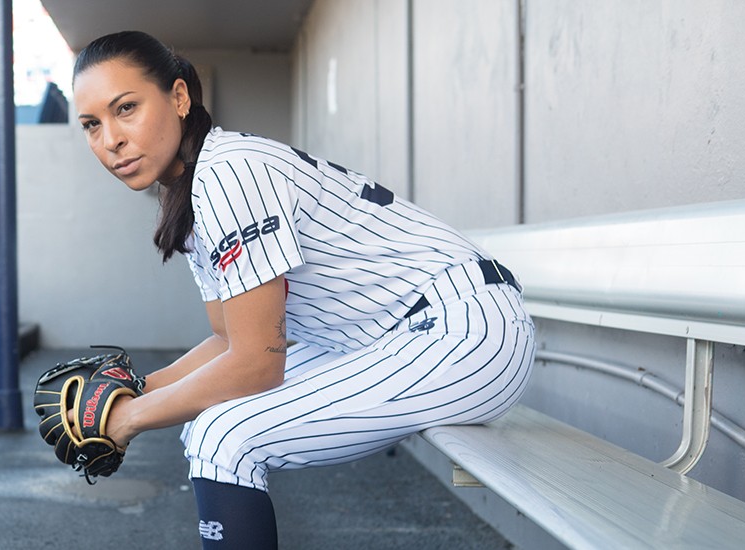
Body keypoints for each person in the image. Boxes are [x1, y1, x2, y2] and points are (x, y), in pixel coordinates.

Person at [69, 30, 535, 549]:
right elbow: (229, 341)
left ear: (179, 97)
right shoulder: (195, 192)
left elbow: (255, 363)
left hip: (465, 330)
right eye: (92, 124)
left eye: (126, 108)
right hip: (388, 337)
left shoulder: (230, 172)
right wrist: (138, 390)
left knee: (223, 435)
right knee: (209, 430)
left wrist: (129, 419)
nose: (110, 138)